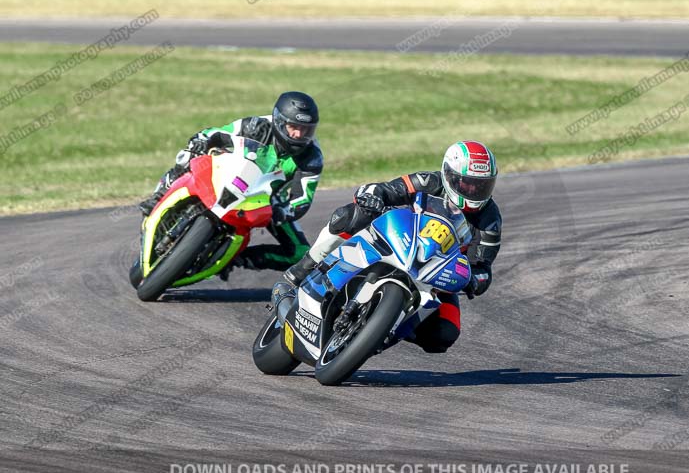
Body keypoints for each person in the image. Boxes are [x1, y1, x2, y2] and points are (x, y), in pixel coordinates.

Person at [283, 140, 501, 353]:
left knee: (444, 334)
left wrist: (474, 279)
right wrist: (373, 195)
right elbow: (387, 189)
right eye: (467, 183)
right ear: (449, 175)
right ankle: (306, 266)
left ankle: (384, 327)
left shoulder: (490, 220)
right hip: (398, 241)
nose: (473, 190)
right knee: (349, 215)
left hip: (436, 275)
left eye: (481, 185)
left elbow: (482, 266)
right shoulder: (428, 182)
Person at [138, 91, 323, 277]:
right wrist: (201, 142)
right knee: (188, 156)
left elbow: (303, 199)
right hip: (233, 174)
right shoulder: (256, 125)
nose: (299, 134)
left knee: (300, 254)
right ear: (279, 121)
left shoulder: (312, 157)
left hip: (267, 199)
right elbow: (216, 133)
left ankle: (234, 257)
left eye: (306, 129)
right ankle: (158, 197)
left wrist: (283, 211)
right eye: (293, 127)